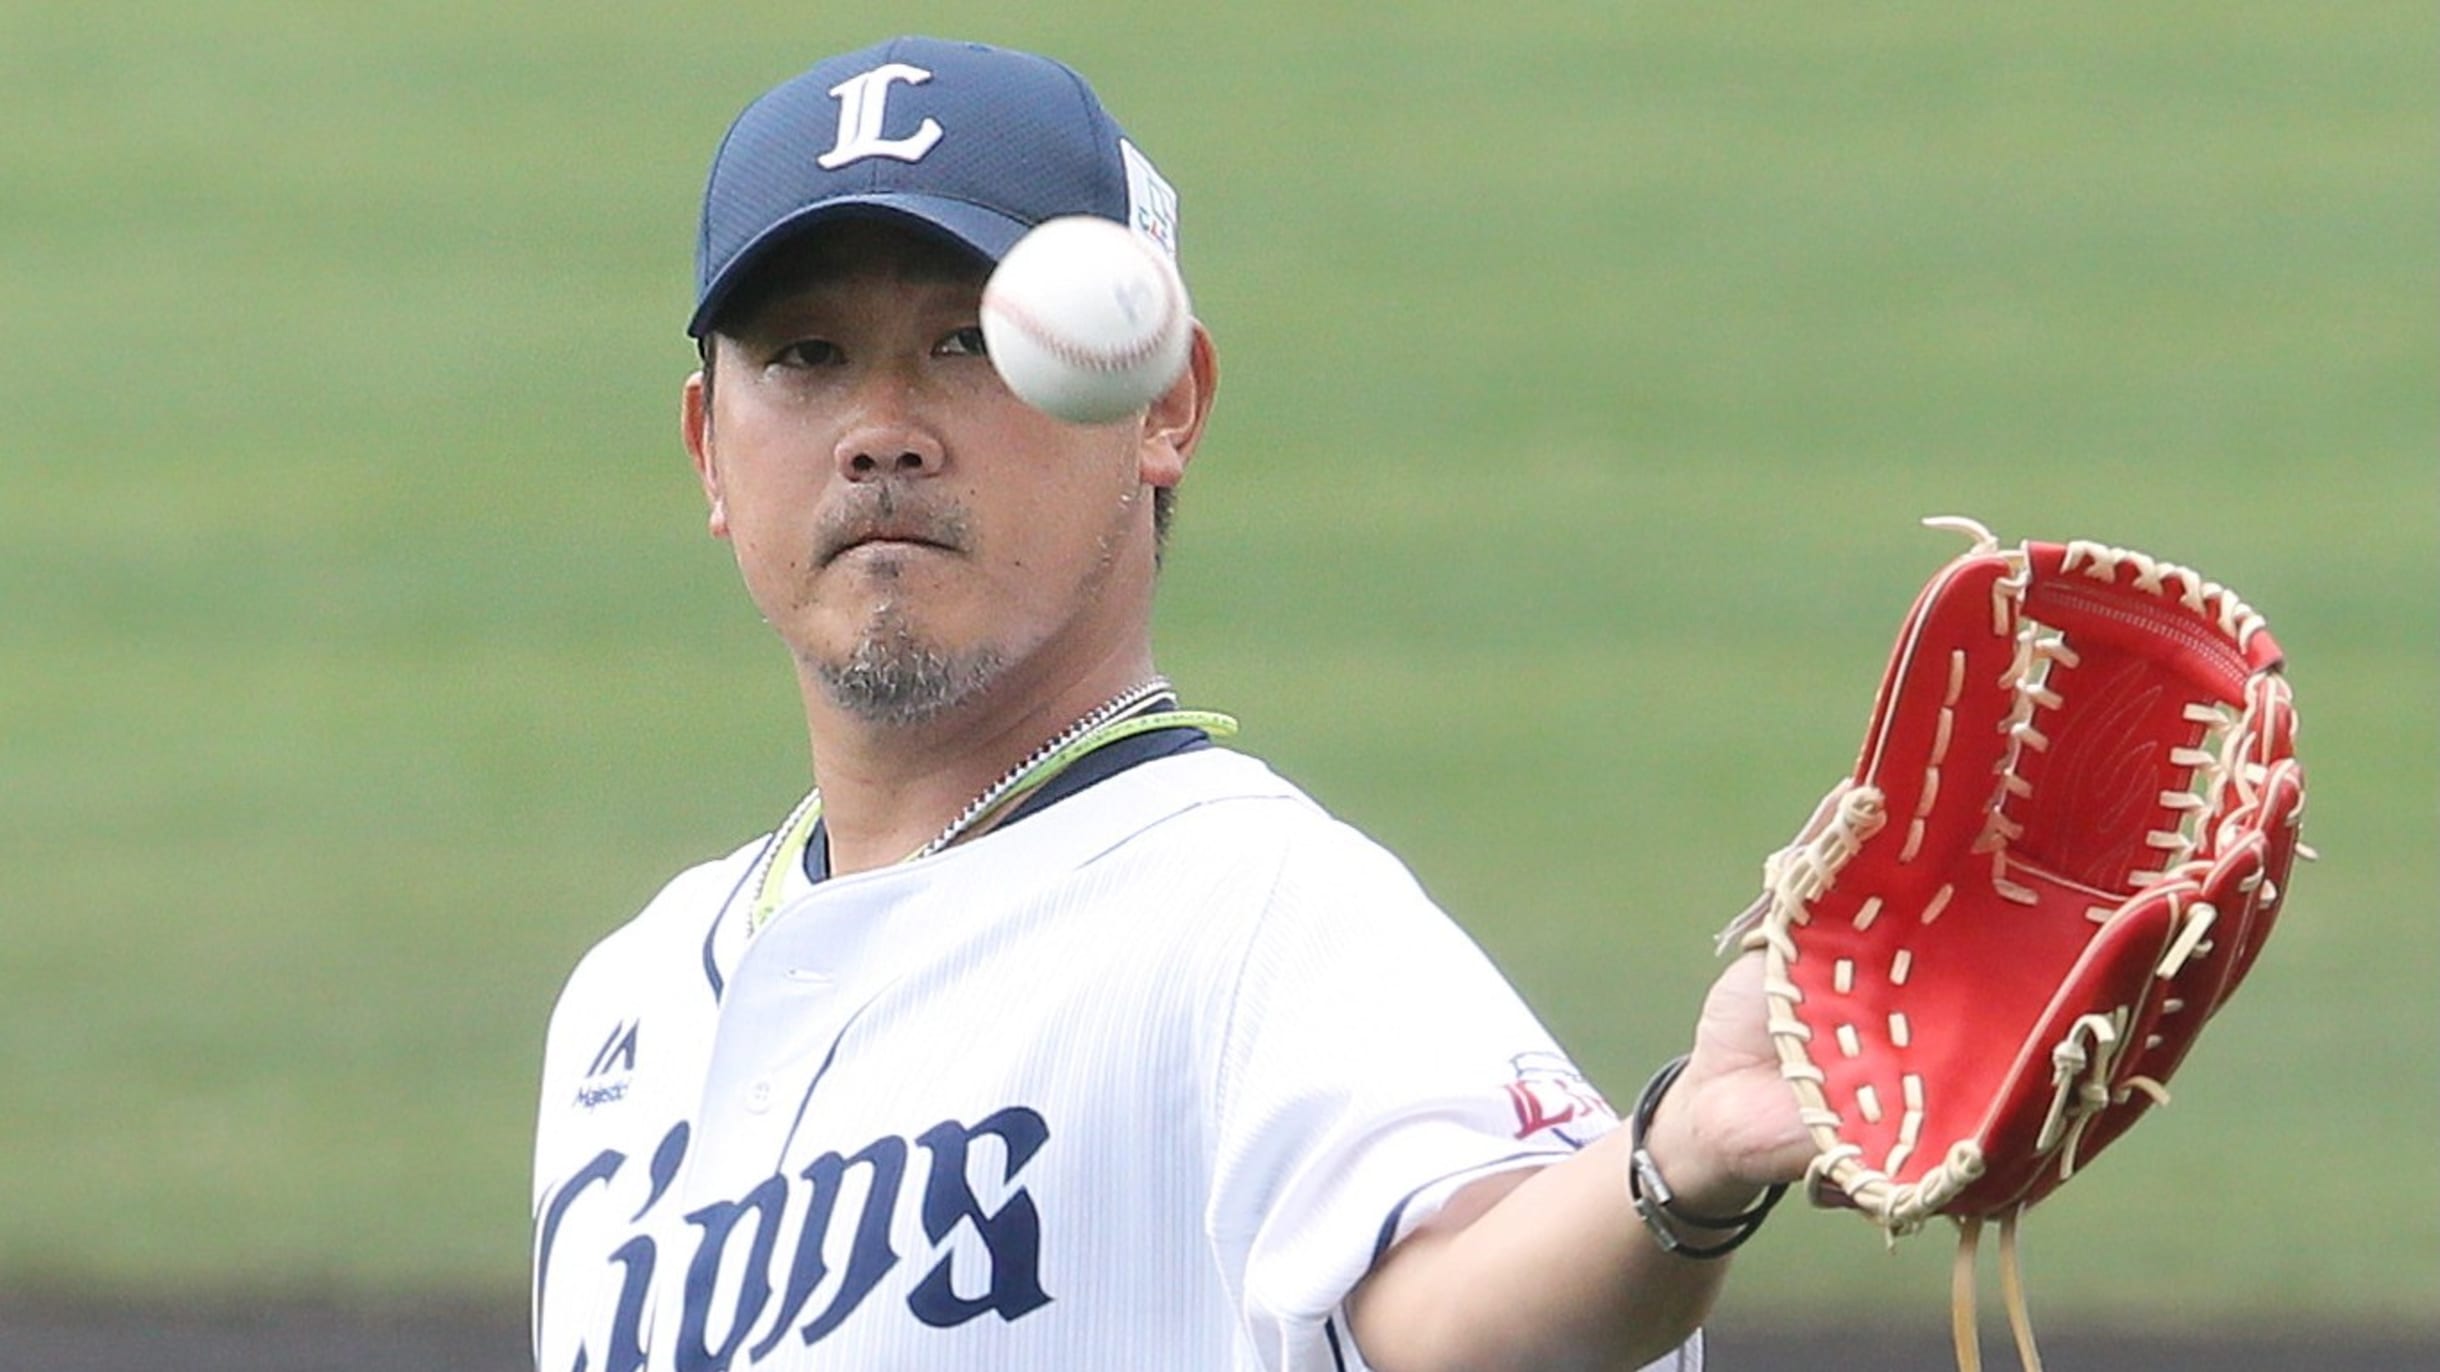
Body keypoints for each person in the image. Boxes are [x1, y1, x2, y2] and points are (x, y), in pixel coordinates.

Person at [531, 35, 1812, 1372]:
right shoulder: (627, 1004)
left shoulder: (1248, 912)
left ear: (1163, 405)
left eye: (971, 341)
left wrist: (1680, 1167)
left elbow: (1459, 1317)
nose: (882, 427)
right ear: (708, 452)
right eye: (807, 356)